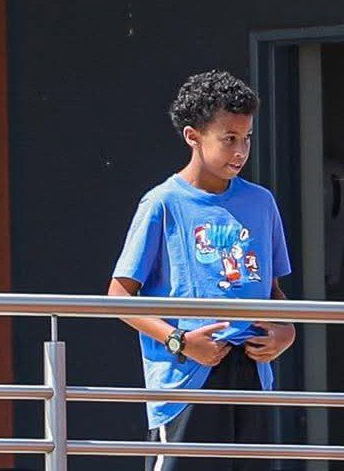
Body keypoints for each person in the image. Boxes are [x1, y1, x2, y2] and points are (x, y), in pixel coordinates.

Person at [110, 70, 296, 471]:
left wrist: (286, 330)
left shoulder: (262, 203)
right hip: (187, 377)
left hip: (251, 371)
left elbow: (273, 289)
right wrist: (179, 341)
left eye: (246, 138)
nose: (240, 150)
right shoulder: (162, 203)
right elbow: (119, 298)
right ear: (193, 136)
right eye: (229, 138)